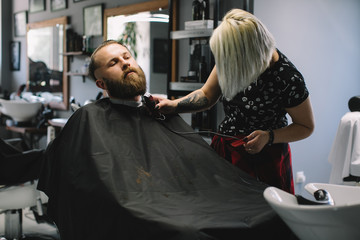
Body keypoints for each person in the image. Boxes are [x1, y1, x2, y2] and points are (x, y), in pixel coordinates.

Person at [37, 40, 295, 240]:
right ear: (101, 83)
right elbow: (79, 186)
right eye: (114, 62)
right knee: (187, 233)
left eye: (127, 57)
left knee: (281, 211)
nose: (125, 63)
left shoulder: (162, 111)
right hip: (146, 210)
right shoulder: (88, 118)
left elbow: (199, 168)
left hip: (201, 200)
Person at [156, 9, 315, 194]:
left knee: (268, 215)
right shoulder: (231, 57)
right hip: (227, 151)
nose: (226, 65)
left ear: (251, 53)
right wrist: (174, 105)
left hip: (267, 157)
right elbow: (207, 94)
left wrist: (269, 136)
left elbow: (306, 126)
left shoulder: (287, 78)